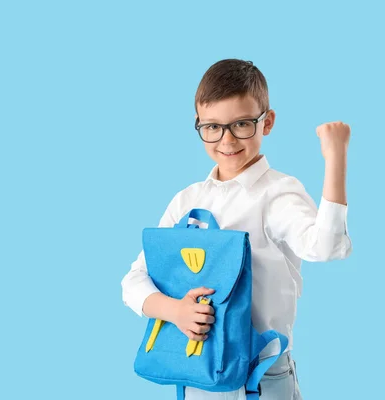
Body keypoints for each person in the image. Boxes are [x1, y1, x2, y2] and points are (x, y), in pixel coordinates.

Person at [121, 58, 353, 399]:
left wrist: (336, 158)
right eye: (212, 127)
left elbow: (326, 247)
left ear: (267, 122)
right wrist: (175, 311)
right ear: (198, 125)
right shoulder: (188, 200)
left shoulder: (278, 193)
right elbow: (134, 279)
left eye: (242, 124)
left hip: (262, 374)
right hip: (200, 370)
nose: (226, 139)